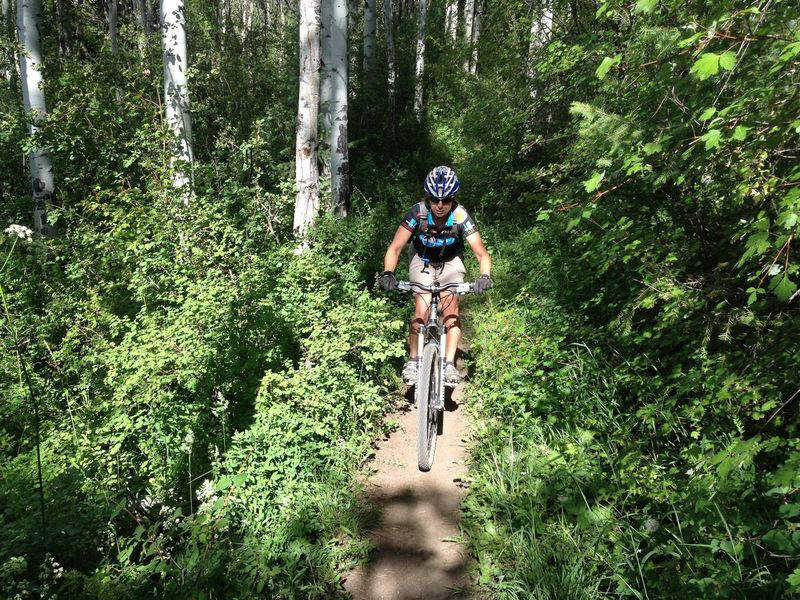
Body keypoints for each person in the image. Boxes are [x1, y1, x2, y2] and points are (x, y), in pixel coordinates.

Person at [377, 166, 493, 386]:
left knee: (451, 308)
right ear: (427, 198)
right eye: (434, 200)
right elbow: (395, 248)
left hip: (450, 261)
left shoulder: (461, 216)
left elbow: (481, 252)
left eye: (446, 200)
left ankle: (449, 363)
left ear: (453, 199)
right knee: (421, 308)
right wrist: (388, 273)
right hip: (421, 260)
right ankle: (413, 360)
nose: (440, 206)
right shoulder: (417, 213)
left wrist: (484, 275)